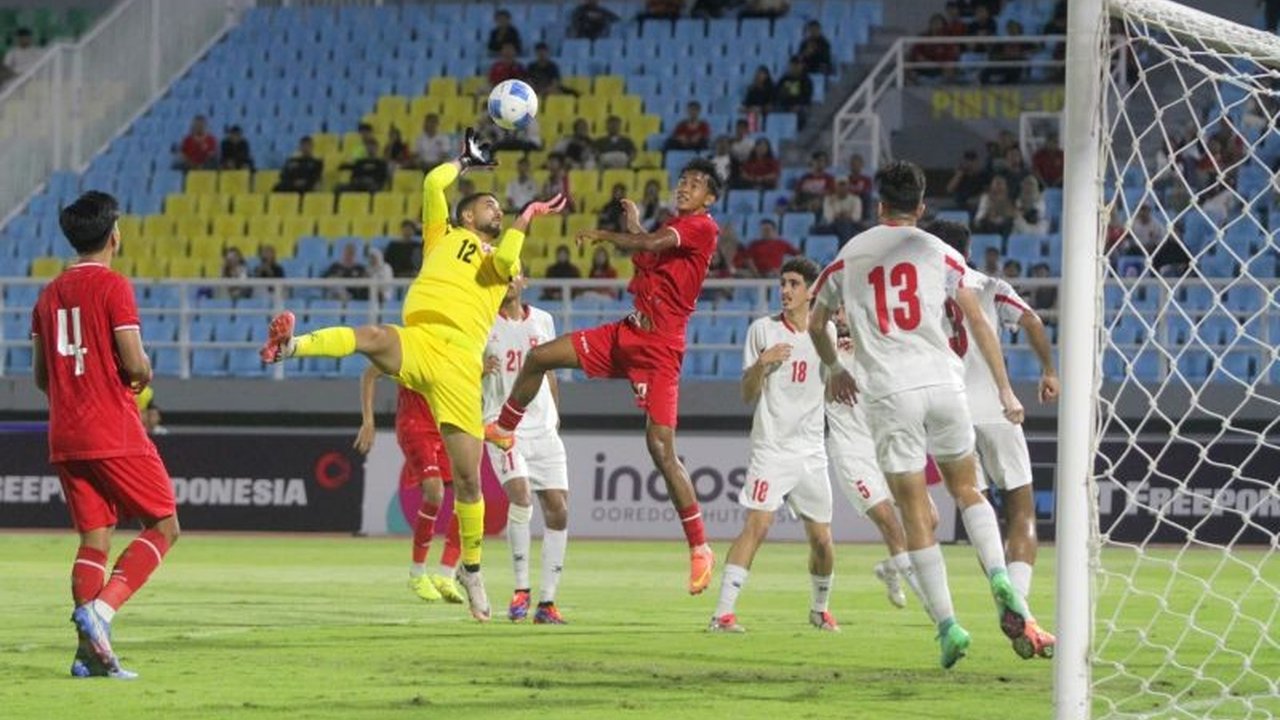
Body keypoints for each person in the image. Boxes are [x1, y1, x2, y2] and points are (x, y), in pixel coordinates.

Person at [258, 130, 567, 623]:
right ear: (467, 215)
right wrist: (462, 164)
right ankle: (289, 346)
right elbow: (431, 185)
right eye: (490, 205)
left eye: (500, 208)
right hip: (421, 338)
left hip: (460, 365)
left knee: (469, 483)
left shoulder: (499, 265)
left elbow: (510, 259)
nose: (497, 210)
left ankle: (471, 571)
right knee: (377, 336)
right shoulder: (442, 235)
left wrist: (528, 218)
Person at [808, 160, 1043, 669]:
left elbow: (816, 319)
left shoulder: (848, 256)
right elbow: (977, 318)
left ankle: (948, 625)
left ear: (877, 206)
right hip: (944, 384)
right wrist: (1004, 388)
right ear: (920, 207)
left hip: (889, 394)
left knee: (915, 512)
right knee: (968, 488)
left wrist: (833, 367)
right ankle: (999, 575)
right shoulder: (942, 252)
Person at [486, 159, 723, 596]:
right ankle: (504, 427)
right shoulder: (674, 227)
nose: (685, 187)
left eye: (696, 184)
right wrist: (633, 223)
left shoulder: (703, 228)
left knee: (661, 450)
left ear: (710, 198)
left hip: (660, 351)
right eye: (683, 180)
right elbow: (649, 252)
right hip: (626, 332)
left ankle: (700, 549)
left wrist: (606, 234)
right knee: (539, 356)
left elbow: (649, 242)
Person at [32, 191, 181, 679]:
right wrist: (141, 371)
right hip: (112, 427)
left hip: (65, 432)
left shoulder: (47, 294)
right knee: (163, 526)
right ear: (113, 234)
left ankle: (87, 654)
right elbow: (135, 362)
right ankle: (103, 613)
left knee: (94, 538)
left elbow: (40, 376)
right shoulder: (114, 287)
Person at [926, 219, 1059, 659]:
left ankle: (1009, 601)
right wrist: (1048, 371)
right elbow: (1033, 321)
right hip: (997, 412)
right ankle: (1022, 608)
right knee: (1022, 508)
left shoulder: (920, 290)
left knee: (976, 506)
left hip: (948, 411)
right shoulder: (988, 284)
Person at [708, 258, 839, 634]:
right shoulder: (762, 330)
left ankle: (819, 609)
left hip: (812, 450)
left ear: (812, 291)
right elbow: (747, 395)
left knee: (822, 540)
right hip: (772, 448)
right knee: (758, 525)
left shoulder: (825, 331)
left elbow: (834, 384)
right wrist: (761, 365)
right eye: (783, 283)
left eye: (794, 284)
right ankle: (723, 614)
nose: (785, 290)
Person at [482, 276, 571, 624]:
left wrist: (556, 417)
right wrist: (479, 369)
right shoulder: (482, 321)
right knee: (521, 497)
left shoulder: (544, 321)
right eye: (501, 276)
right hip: (503, 425)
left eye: (514, 274)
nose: (508, 281)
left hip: (544, 428)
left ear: (525, 281)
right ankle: (521, 590)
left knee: (558, 509)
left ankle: (547, 604)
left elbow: (549, 374)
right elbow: (462, 371)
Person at [824, 307, 924, 611]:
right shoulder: (825, 349)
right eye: (837, 311)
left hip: (884, 445)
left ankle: (891, 568)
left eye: (846, 310)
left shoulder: (877, 344)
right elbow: (826, 393)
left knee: (928, 519)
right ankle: (936, 610)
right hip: (851, 451)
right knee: (890, 523)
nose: (841, 317)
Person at [355, 369, 466, 605]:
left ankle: (446, 574)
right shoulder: (408, 347)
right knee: (435, 492)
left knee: (468, 495)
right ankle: (417, 573)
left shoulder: (453, 348)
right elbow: (369, 374)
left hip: (445, 426)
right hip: (415, 428)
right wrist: (368, 421)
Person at [946, 149, 990, 215]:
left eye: (972, 161)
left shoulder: (983, 176)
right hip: (960, 206)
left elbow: (988, 191)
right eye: (967, 161)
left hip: (977, 206)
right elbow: (949, 189)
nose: (970, 164)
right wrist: (960, 174)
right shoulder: (960, 175)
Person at [773, 57, 813, 121]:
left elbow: (806, 97)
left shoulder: (805, 80)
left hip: (799, 106)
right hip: (784, 105)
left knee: (799, 110)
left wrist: (798, 105)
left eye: (796, 65)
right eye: (792, 66)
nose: (794, 68)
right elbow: (776, 93)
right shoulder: (784, 79)